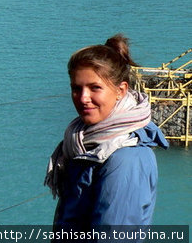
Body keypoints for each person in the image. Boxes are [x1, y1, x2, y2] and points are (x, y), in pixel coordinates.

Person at [45, 34, 168, 232]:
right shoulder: (84, 144)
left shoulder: (126, 159)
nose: (83, 98)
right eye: (77, 88)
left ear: (121, 90)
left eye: (95, 88)